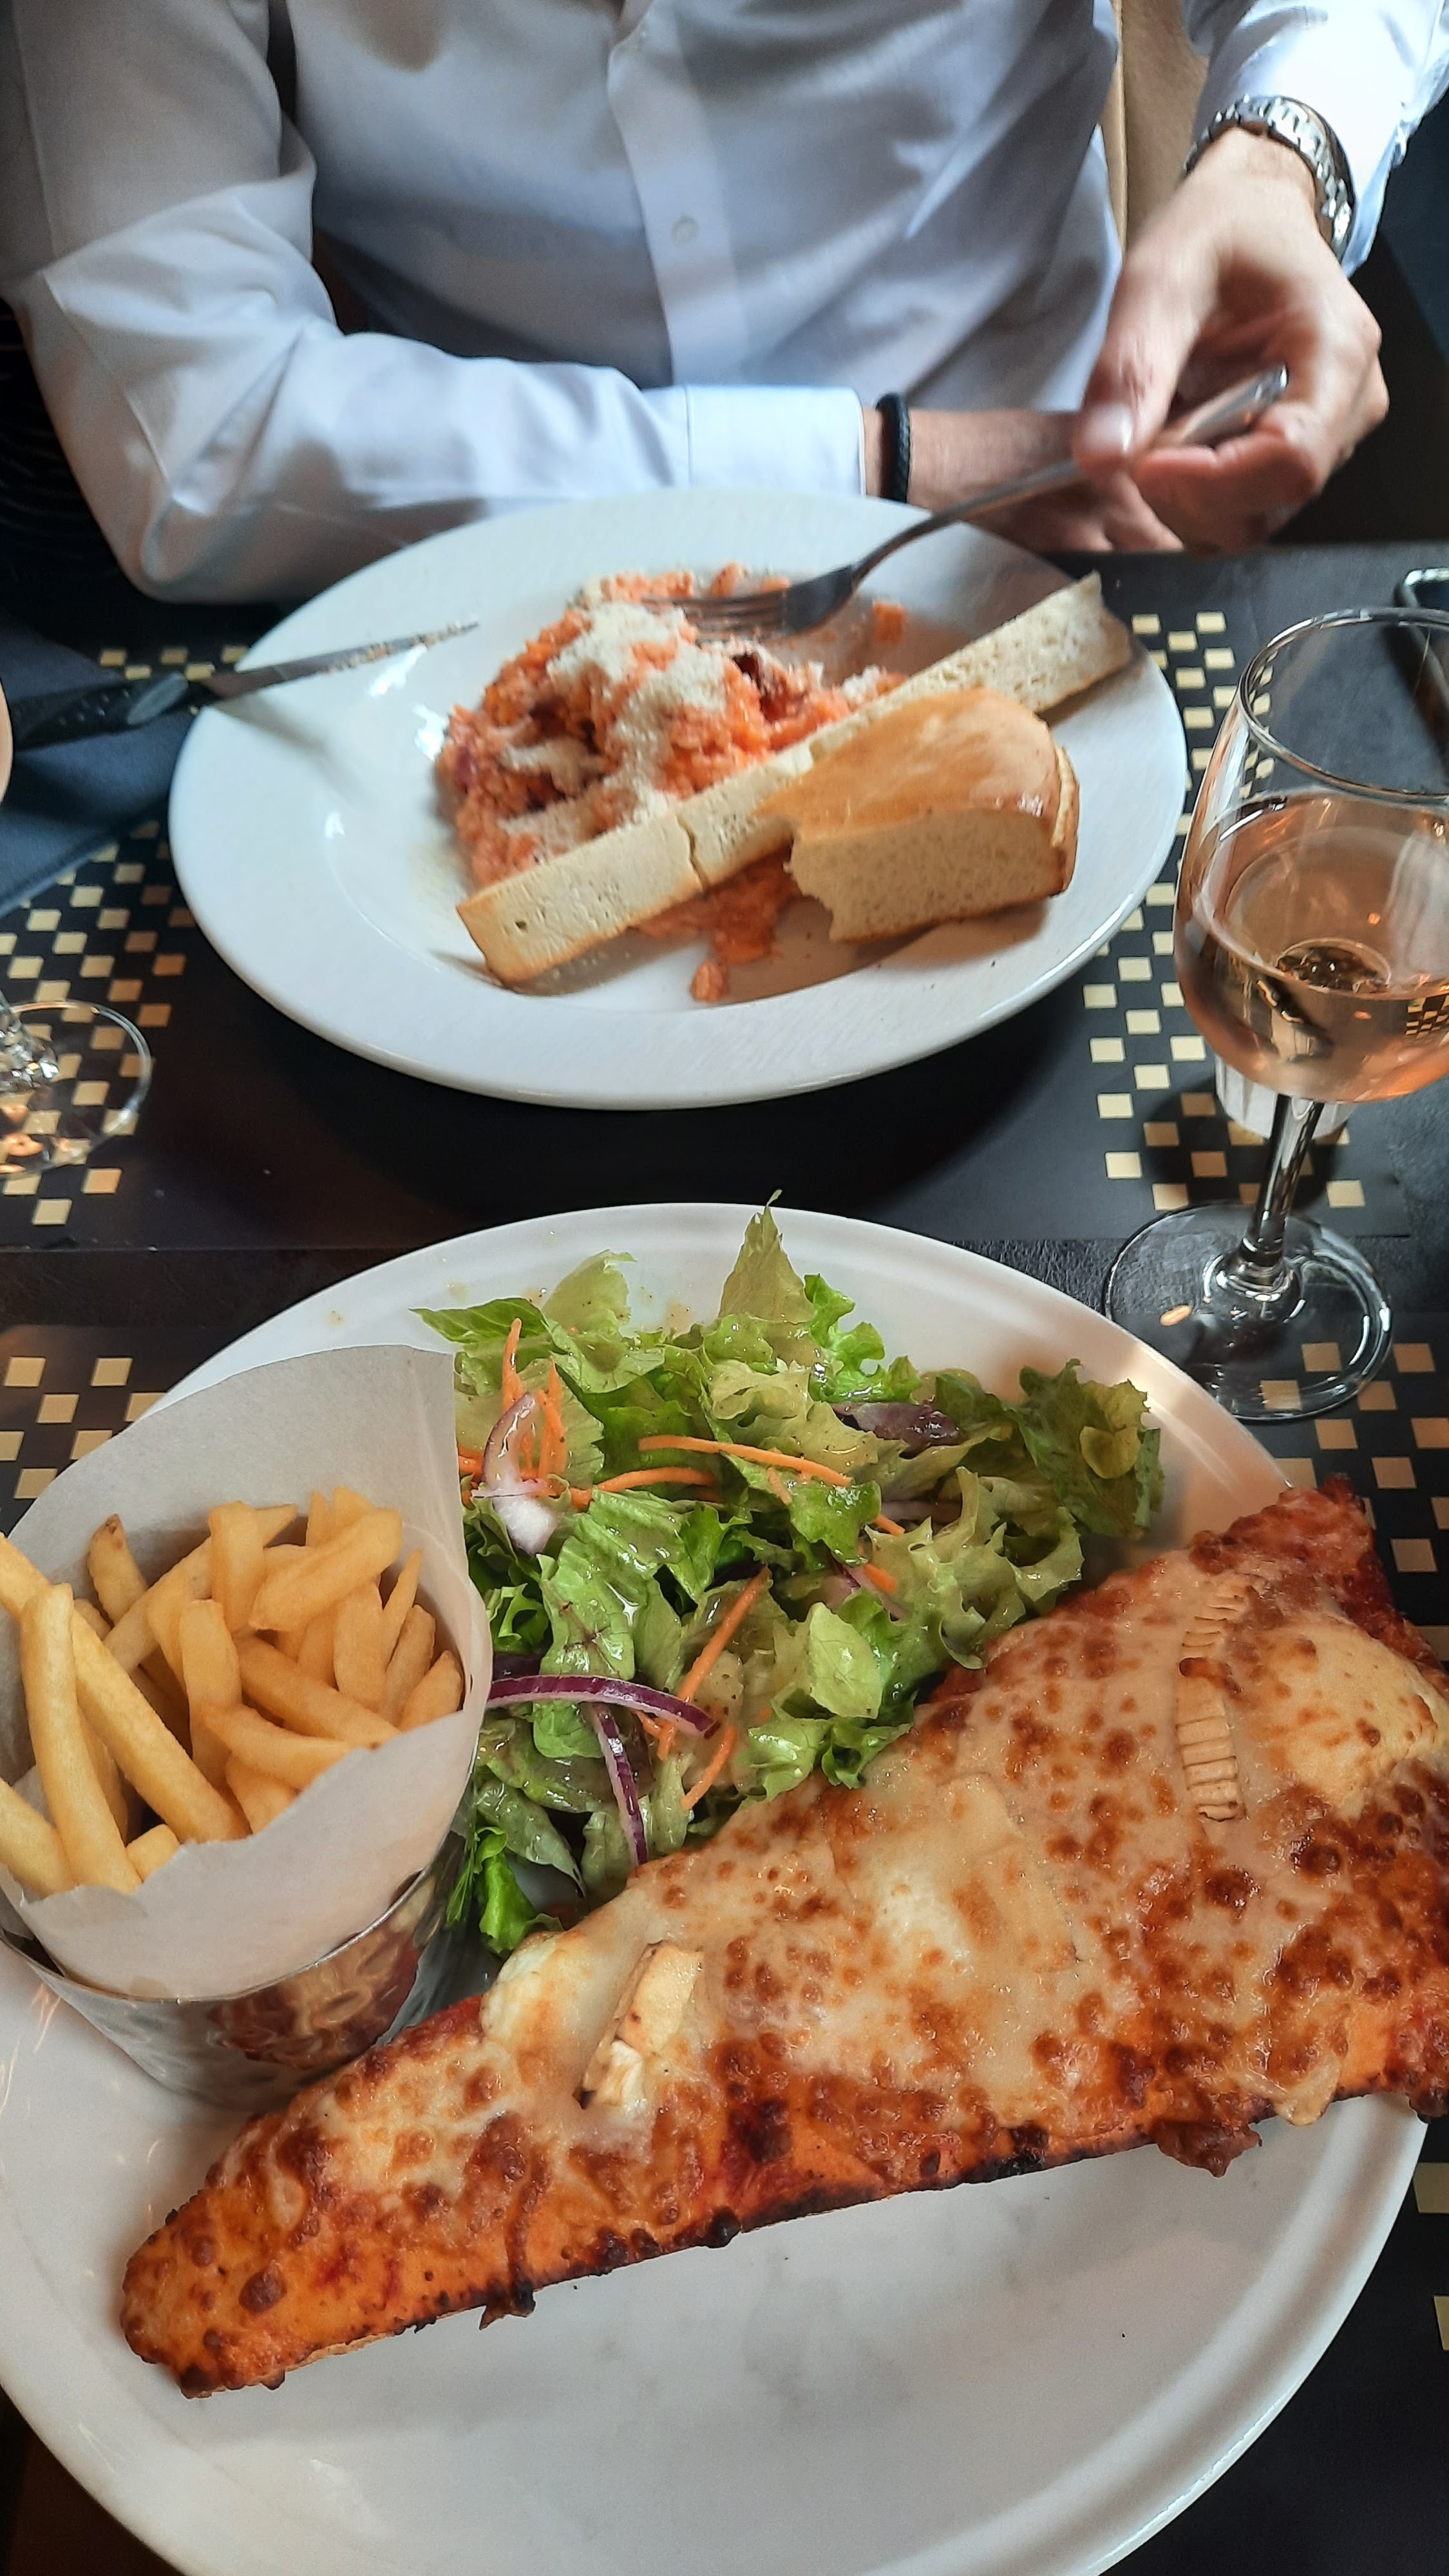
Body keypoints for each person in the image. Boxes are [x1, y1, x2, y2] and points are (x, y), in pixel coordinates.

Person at [0, 2, 1444, 600]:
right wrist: (888, 470)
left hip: (1077, 561)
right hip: (465, 607)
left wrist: (1282, 156)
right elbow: (197, 411)